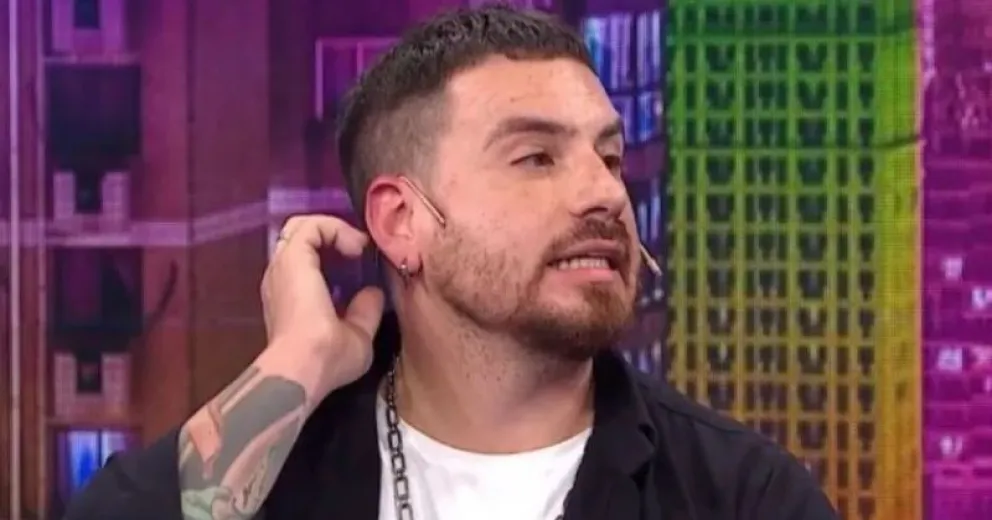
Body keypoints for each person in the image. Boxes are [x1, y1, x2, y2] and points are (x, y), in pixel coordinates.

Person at [65, 5, 837, 520]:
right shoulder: (282, 475)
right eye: (536, 158)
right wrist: (295, 363)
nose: (605, 193)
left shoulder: (742, 496)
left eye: (608, 157)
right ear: (402, 223)